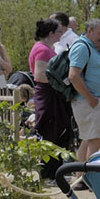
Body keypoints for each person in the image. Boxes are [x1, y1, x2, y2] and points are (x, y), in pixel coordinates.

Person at [67, 19, 100, 181]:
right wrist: (90, 98)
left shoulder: (93, 48)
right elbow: (73, 75)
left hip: (92, 101)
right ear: (89, 31)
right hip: (87, 102)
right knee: (96, 141)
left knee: (87, 140)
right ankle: (93, 179)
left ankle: (81, 179)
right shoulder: (82, 47)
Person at [28, 18, 70, 177]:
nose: (61, 34)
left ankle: (54, 170)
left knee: (56, 128)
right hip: (47, 93)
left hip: (51, 93)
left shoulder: (46, 48)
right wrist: (61, 80)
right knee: (50, 130)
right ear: (51, 33)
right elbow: (39, 74)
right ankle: (48, 171)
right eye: (59, 31)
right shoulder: (42, 50)